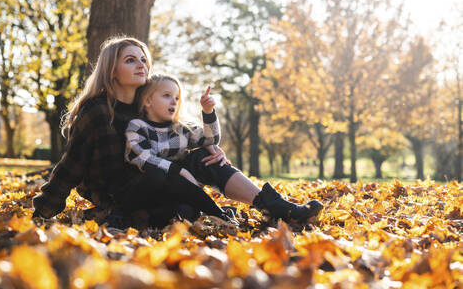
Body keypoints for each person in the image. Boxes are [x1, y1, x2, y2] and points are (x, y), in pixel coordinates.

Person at [32, 35, 322, 229]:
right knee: (172, 191)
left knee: (205, 160)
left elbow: (174, 139)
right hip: (121, 193)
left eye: (143, 59)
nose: (141, 64)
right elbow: (72, 164)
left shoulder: (145, 107)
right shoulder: (96, 111)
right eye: (130, 60)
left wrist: (208, 146)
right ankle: (197, 213)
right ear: (111, 70)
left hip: (161, 180)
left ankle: (275, 207)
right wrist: (45, 208)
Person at [126, 74, 323, 226]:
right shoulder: (138, 126)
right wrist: (179, 170)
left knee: (204, 155)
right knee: (182, 212)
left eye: (177, 98)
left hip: (188, 189)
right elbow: (143, 159)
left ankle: (269, 204)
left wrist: (208, 112)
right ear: (148, 101)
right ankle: (218, 213)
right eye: (166, 96)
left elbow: (211, 138)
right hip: (155, 194)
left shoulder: (181, 127)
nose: (174, 102)